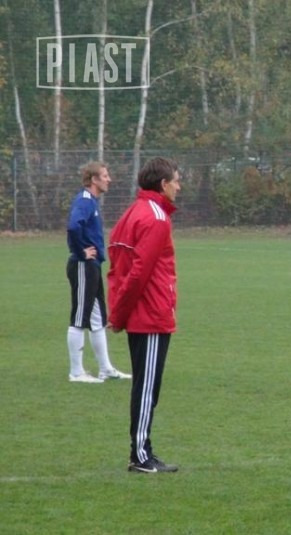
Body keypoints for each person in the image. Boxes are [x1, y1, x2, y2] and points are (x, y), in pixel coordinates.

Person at [108, 157, 183, 474]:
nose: (179, 186)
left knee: (145, 385)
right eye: (176, 181)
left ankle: (141, 452)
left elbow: (118, 268)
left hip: (142, 314)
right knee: (147, 388)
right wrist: (119, 314)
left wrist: (119, 310)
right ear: (163, 184)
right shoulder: (156, 218)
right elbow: (138, 273)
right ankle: (140, 455)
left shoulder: (133, 212)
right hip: (150, 315)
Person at [65, 161, 131, 383]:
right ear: (94, 179)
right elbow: (73, 226)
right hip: (83, 265)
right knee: (79, 317)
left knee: (97, 318)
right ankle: (76, 372)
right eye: (104, 175)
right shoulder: (84, 200)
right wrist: (81, 252)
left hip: (92, 266)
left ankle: (105, 369)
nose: (108, 179)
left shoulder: (91, 201)